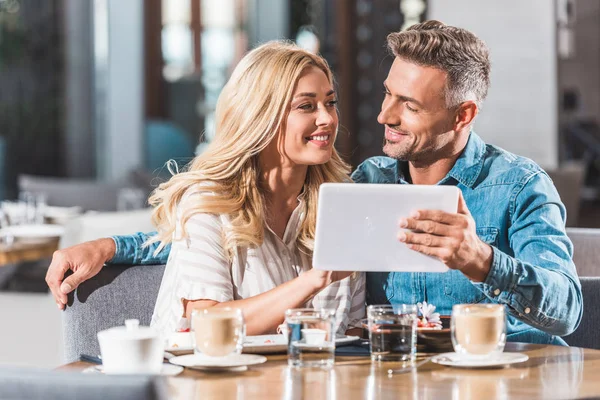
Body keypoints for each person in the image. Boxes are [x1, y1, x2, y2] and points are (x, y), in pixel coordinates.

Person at [47, 21, 581, 344]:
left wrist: (481, 260)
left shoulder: (519, 187)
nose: (383, 116)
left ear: (463, 115)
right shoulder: (366, 187)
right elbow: (222, 224)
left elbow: (568, 308)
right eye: (387, 93)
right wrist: (113, 244)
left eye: (409, 105)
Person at [48, 41, 365, 338]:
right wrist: (314, 279)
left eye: (331, 102)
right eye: (307, 106)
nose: (327, 118)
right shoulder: (209, 204)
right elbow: (208, 324)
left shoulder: (344, 205)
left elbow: (354, 332)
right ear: (260, 116)